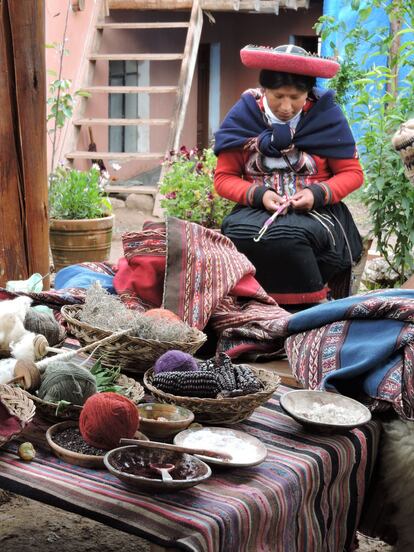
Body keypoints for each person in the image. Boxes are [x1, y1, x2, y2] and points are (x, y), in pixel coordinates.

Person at [214, 44, 364, 308]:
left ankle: (307, 311)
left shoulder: (324, 117)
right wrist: (259, 194)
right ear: (264, 90)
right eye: (278, 95)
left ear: (308, 92)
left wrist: (316, 194)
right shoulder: (244, 117)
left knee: (292, 237)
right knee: (238, 233)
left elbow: (352, 173)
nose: (286, 106)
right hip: (257, 207)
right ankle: (251, 309)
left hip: (318, 210)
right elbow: (224, 178)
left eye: (296, 97)